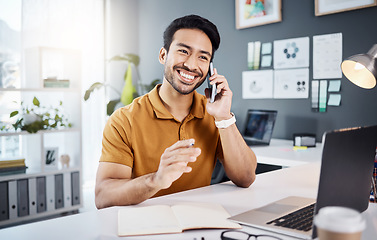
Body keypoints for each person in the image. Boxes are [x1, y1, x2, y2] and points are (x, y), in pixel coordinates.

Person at [95, 14, 257, 209]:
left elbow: (246, 177)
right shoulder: (123, 120)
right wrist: (155, 180)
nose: (191, 65)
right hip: (143, 225)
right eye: (183, 51)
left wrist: (223, 118)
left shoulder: (213, 115)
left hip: (199, 223)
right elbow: (103, 196)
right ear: (163, 55)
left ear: (210, 68)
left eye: (203, 57)